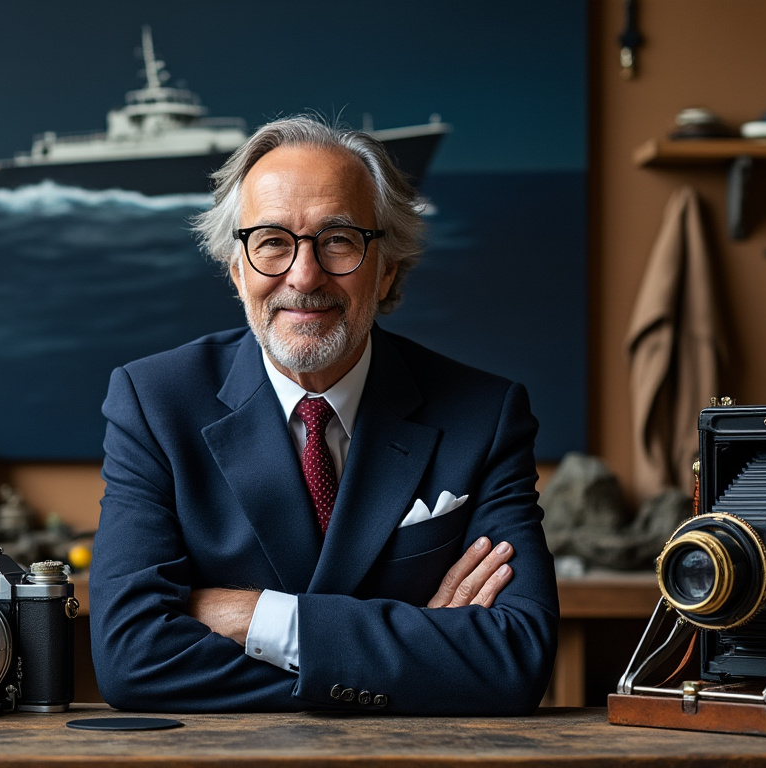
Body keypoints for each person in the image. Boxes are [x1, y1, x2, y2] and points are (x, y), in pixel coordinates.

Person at [89, 115, 558, 715]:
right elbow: (132, 660)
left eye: (338, 240)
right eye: (271, 242)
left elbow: (515, 660)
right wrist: (418, 661)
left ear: (386, 267)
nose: (304, 276)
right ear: (237, 270)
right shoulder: (152, 403)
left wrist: (255, 616)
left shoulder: (484, 414)